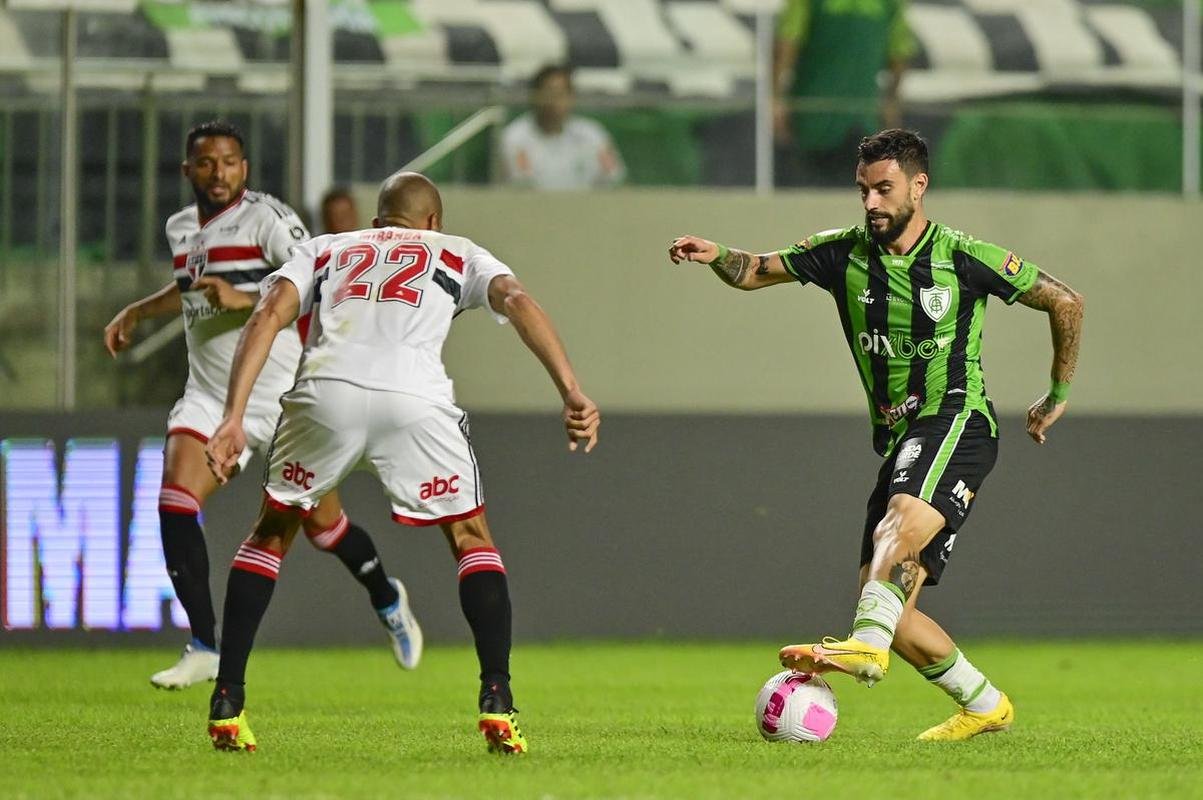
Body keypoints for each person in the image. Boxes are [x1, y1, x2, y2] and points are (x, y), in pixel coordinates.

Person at [668, 129, 1084, 741]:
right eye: (863, 190)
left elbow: (1066, 301)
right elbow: (756, 271)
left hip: (957, 418)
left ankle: (865, 647)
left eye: (884, 189)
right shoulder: (842, 253)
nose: (871, 203)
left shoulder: (966, 257)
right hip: (898, 438)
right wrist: (716, 254)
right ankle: (984, 703)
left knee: (897, 530)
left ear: (919, 186)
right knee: (895, 603)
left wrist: (1057, 394)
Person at [202, 170, 600, 754]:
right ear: (434, 222)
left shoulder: (327, 248)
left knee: (270, 532)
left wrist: (233, 416)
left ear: (376, 220)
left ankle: (227, 702)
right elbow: (516, 300)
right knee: (469, 536)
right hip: (413, 403)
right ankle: (497, 698)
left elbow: (267, 315)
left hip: (325, 395)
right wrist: (570, 389)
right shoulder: (457, 251)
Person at [103, 120, 423, 689]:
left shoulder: (270, 221)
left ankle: (386, 596)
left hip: (280, 398)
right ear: (188, 171)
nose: (218, 173)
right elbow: (190, 289)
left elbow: (318, 284)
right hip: (209, 395)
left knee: (326, 527)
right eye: (206, 163)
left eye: (229, 162)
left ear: (244, 169)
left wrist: (243, 298)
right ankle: (203, 644)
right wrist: (137, 312)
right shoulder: (181, 228)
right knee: (175, 501)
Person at [773, 0, 916, 186]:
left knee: (808, 194)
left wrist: (776, 98)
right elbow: (900, 53)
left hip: (812, 117)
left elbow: (787, 44)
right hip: (862, 118)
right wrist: (891, 100)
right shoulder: (889, 4)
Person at [500, 64, 625, 190]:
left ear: (571, 97)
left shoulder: (592, 135)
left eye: (561, 94)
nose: (554, 100)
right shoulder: (515, 137)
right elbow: (522, 186)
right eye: (548, 93)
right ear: (535, 96)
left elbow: (615, 180)